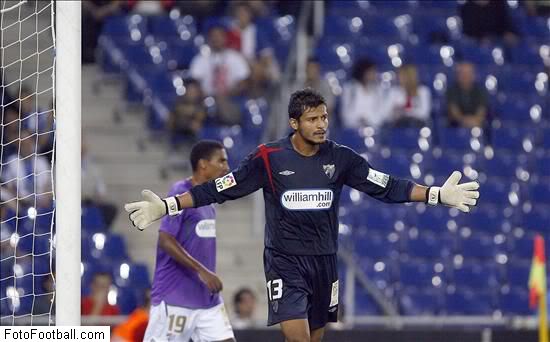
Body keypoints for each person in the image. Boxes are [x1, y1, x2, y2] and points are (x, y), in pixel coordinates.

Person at [125, 88, 480, 342]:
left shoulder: (341, 158)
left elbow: (387, 186)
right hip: (284, 262)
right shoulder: (268, 158)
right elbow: (219, 188)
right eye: (313, 119)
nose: (321, 124)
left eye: (324, 117)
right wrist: (168, 205)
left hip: (324, 262)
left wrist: (436, 194)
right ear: (295, 123)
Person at [142, 140, 235, 342]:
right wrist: (202, 271)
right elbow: (165, 239)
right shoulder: (180, 192)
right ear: (203, 164)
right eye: (221, 161)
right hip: (175, 297)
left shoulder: (209, 199)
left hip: (207, 300)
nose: (226, 167)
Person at [190, 24, 250, 125]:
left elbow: (244, 82)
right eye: (213, 36)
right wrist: (203, 94)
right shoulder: (200, 59)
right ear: (208, 39)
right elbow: (194, 83)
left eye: (219, 36)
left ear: (225, 38)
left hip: (230, 99)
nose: (216, 39)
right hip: (205, 99)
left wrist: (230, 92)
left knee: (222, 103)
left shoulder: (235, 57)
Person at [340, 57, 391, 129]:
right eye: (371, 71)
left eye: (374, 71)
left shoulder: (378, 90)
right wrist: (359, 121)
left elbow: (381, 113)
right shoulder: (350, 89)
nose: (374, 74)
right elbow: (345, 114)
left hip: (374, 128)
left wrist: (369, 121)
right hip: (353, 129)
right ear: (363, 72)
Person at [446, 62, 488, 128]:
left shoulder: (480, 91)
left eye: (468, 73)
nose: (465, 76)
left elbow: (481, 110)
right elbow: (453, 110)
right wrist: (464, 121)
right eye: (463, 73)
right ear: (458, 76)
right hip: (456, 125)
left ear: (473, 75)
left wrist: (475, 120)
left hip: (476, 123)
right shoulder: (451, 91)